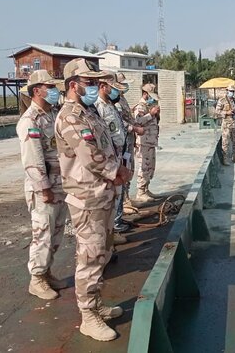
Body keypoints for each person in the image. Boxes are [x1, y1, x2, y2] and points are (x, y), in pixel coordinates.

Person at [55, 58, 131, 342]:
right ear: (73, 85)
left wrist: (116, 173)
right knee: (89, 257)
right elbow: (90, 154)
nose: (95, 86)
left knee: (101, 254)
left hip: (102, 194)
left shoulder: (88, 112)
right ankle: (88, 317)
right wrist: (117, 172)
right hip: (87, 198)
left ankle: (96, 305)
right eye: (89, 82)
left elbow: (107, 144)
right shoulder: (70, 116)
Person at [15, 70, 68, 300]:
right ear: (37, 90)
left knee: (56, 233)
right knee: (43, 234)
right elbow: (33, 160)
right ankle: (36, 279)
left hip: (60, 186)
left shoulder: (53, 115)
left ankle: (46, 272)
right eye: (50, 87)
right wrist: (44, 188)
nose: (55, 91)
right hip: (44, 189)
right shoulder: (30, 121)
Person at [94, 73, 131, 243]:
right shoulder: (98, 107)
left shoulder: (110, 105)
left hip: (119, 153)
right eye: (113, 87)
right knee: (110, 196)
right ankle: (112, 230)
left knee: (118, 192)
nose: (116, 91)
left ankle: (115, 225)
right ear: (103, 87)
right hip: (109, 156)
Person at [114, 73, 146, 209]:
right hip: (123, 140)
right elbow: (119, 122)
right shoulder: (116, 102)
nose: (126, 87)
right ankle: (124, 202)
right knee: (125, 168)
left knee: (129, 168)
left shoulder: (122, 99)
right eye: (123, 84)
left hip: (128, 139)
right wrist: (134, 128)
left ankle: (126, 198)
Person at [133, 83, 162, 202]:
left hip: (150, 141)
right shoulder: (140, 107)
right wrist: (151, 114)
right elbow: (138, 122)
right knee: (144, 167)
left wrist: (156, 114)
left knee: (150, 167)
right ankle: (140, 192)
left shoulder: (149, 105)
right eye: (150, 96)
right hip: (143, 142)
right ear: (145, 94)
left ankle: (146, 189)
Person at [215, 85, 235, 165]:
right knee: (225, 143)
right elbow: (217, 111)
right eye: (230, 91)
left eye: (233, 91)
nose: (232, 93)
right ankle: (225, 160)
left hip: (234, 123)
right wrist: (226, 112)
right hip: (226, 124)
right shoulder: (222, 100)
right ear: (227, 91)